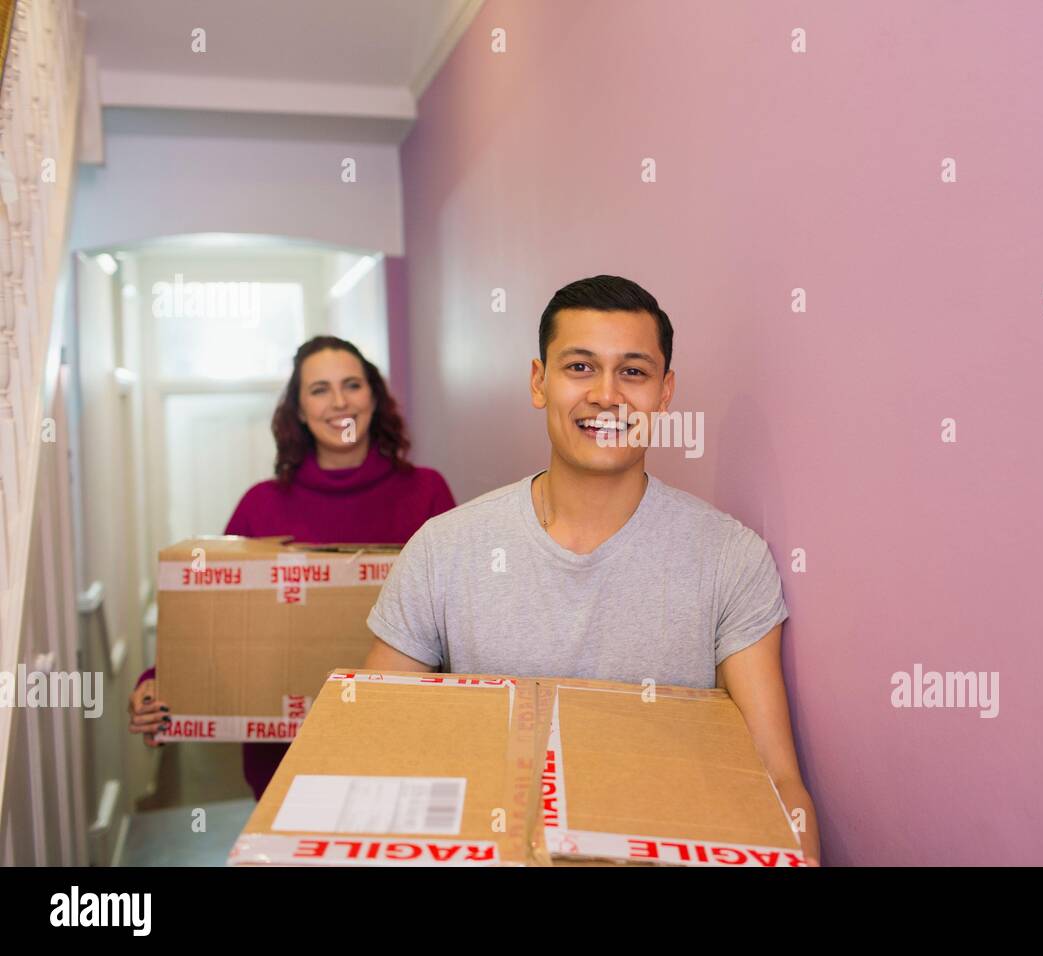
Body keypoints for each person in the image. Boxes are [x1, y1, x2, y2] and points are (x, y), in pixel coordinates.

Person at [361, 275, 821, 864]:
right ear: (538, 382)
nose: (607, 395)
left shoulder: (730, 559)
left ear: (665, 391)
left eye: (633, 372)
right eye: (580, 367)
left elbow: (776, 780)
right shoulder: (444, 548)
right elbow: (373, 738)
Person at [127, 335, 455, 800]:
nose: (339, 401)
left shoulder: (426, 493)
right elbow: (214, 620)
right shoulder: (262, 505)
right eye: (319, 389)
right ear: (299, 411)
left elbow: (459, 617)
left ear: (374, 396)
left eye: (352, 385)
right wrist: (158, 683)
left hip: (400, 747)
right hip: (285, 760)